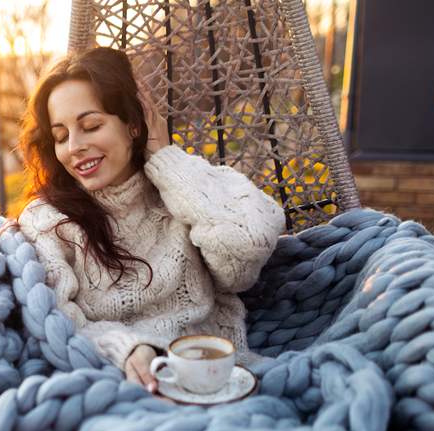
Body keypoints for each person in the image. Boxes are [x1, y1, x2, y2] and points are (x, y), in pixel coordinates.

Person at [15, 46, 286, 395]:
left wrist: (166, 160)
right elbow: (56, 321)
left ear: (132, 124)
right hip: (119, 384)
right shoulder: (49, 221)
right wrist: (126, 347)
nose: (74, 147)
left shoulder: (182, 187)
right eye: (61, 136)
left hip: (217, 373)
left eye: (91, 125)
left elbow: (246, 252)